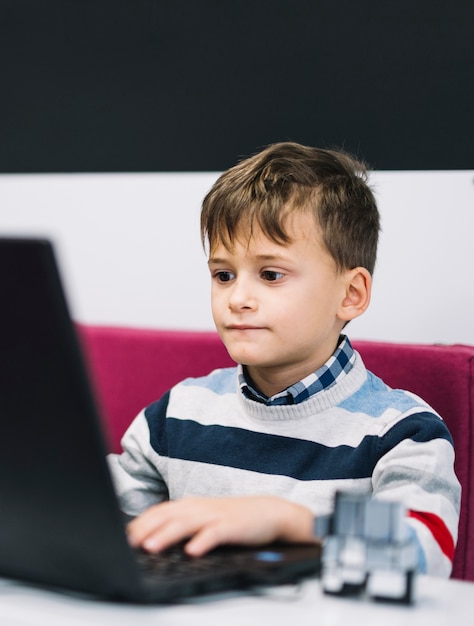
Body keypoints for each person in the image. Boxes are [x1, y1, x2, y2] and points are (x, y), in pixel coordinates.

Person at [108, 141, 460, 578]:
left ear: (350, 295)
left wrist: (289, 522)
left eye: (271, 274)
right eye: (223, 275)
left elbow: (423, 550)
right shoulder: (178, 414)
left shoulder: (401, 431)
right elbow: (101, 523)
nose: (238, 298)